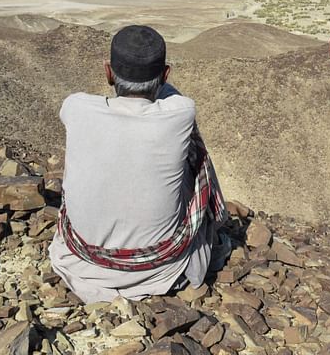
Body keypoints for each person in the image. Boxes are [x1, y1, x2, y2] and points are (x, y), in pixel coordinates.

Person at [49, 25, 229, 303]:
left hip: (84, 263)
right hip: (164, 270)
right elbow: (171, 96)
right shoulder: (181, 113)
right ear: (165, 73)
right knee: (189, 156)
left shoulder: (76, 107)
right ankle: (215, 217)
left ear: (108, 72)